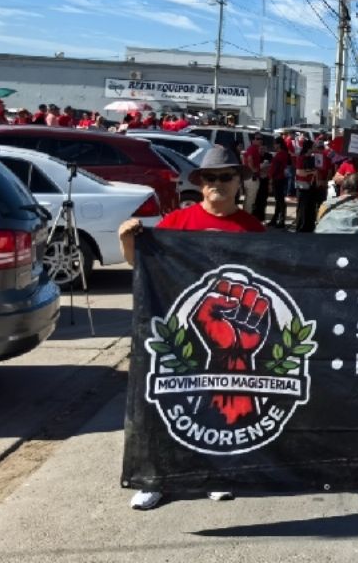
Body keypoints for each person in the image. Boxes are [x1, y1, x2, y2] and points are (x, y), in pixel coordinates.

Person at [117, 147, 264, 511]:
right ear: (200, 184)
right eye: (210, 177)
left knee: (220, 410)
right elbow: (141, 265)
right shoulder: (177, 222)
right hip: (179, 330)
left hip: (228, 338)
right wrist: (127, 239)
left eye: (226, 177)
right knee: (165, 407)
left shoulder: (253, 230)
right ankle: (155, 478)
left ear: (239, 182)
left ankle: (215, 473)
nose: (217, 184)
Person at [268, 137, 290, 228]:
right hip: (281, 178)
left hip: (277, 179)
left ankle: (281, 220)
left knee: (280, 200)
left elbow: (275, 168)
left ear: (279, 144)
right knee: (278, 200)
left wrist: (270, 178)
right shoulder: (284, 154)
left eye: (275, 144)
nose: (274, 145)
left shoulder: (280, 155)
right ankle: (276, 218)